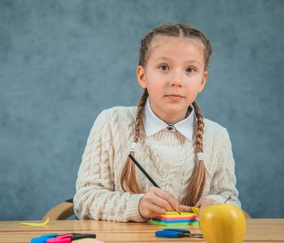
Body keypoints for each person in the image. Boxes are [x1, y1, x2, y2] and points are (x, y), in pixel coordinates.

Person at [73, 23, 241, 222]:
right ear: (142, 76)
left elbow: (230, 199)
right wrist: (137, 205)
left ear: (202, 81)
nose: (176, 80)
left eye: (190, 69)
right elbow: (84, 200)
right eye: (164, 67)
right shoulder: (111, 122)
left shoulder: (217, 136)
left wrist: (217, 203)